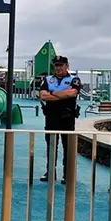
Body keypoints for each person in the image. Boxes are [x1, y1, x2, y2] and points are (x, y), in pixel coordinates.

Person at [38, 55, 81, 183]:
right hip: (51, 118)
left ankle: (67, 174)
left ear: (67, 66)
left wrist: (52, 93)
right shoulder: (48, 79)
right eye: (56, 65)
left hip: (67, 118)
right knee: (51, 146)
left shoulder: (74, 79)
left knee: (68, 147)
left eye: (61, 65)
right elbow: (42, 95)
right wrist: (62, 94)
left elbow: (72, 93)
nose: (58, 68)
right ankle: (50, 172)